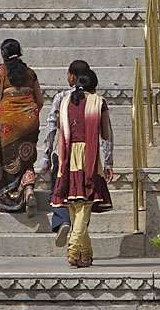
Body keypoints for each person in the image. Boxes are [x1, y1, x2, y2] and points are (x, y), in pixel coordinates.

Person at [51, 70, 113, 267]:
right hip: (89, 157)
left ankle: (85, 255)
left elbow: (60, 133)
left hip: (68, 157)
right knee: (84, 205)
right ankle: (73, 249)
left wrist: (60, 163)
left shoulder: (65, 102)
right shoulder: (98, 102)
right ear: (94, 86)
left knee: (75, 207)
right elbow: (105, 134)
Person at [0, 38, 44, 216]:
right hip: (29, 120)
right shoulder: (30, 73)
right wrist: (28, 118)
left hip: (8, 123)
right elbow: (39, 101)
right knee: (26, 159)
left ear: (2, 54)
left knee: (6, 160)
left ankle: (11, 196)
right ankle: (28, 190)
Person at [40, 59, 90, 246]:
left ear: (72, 76)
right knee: (84, 196)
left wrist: (46, 154)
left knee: (59, 190)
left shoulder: (61, 98)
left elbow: (51, 125)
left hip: (63, 153)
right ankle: (78, 234)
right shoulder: (94, 100)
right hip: (86, 155)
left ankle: (63, 220)